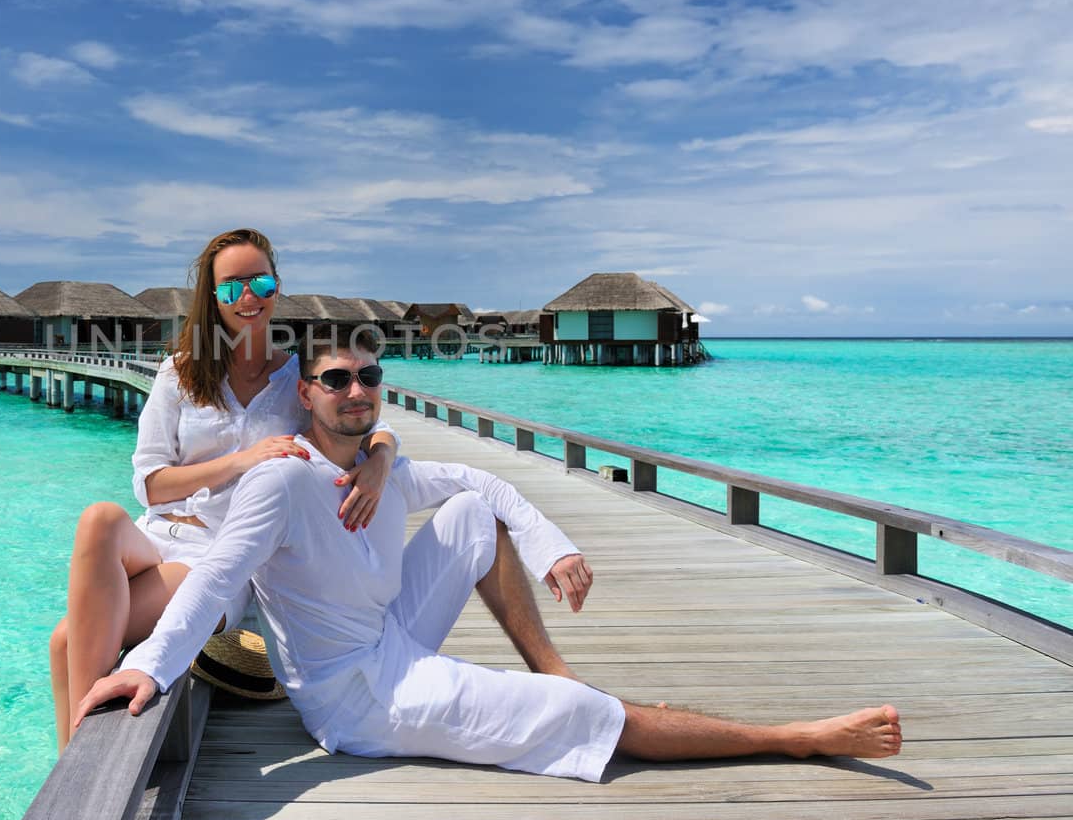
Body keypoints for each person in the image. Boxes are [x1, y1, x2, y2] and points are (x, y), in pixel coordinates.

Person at [75, 329, 903, 781]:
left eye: (369, 374)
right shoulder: (282, 483)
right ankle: (795, 736)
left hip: (388, 635)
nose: (356, 389)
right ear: (307, 392)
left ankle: (554, 668)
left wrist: (553, 545)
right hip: (357, 696)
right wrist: (149, 665)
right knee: (587, 721)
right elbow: (217, 574)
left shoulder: (378, 469)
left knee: (472, 510)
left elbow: (478, 478)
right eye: (336, 378)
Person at [51, 230, 563, 750]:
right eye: (232, 288)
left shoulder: (296, 376)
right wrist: (241, 460)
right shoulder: (179, 374)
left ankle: (74, 758)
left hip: (221, 550)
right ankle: (74, 760)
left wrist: (382, 457)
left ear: (277, 287)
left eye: (261, 282)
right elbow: (150, 485)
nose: (248, 298)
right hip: (160, 533)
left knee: (66, 640)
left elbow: (358, 415)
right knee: (97, 519)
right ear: (212, 297)